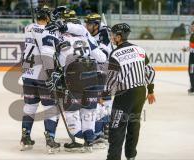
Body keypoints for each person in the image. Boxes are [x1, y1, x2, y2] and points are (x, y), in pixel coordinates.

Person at [45, 14, 107, 152]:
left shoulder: (59, 36)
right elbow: (102, 57)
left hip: (74, 77)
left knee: (71, 110)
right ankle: (89, 140)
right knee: (89, 110)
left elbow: (53, 58)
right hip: (92, 76)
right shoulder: (87, 37)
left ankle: (78, 140)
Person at [106, 23, 156, 160]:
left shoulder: (115, 53)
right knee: (134, 124)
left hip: (125, 94)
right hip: (140, 93)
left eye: (113, 35)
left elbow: (111, 78)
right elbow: (150, 71)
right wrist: (150, 90)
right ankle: (131, 156)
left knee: (117, 127)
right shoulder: (139, 49)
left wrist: (104, 94)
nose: (111, 37)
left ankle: (113, 158)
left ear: (119, 36)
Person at [20, 5, 61, 154]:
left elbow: (36, 28)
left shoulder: (29, 28)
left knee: (30, 106)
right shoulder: (48, 33)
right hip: (42, 75)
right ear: (48, 18)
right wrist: (52, 75)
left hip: (27, 74)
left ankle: (25, 137)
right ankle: (50, 139)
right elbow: (46, 55)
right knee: (51, 108)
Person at [84, 13, 113, 144]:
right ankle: (101, 130)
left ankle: (103, 130)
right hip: (95, 72)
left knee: (104, 101)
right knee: (97, 102)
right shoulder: (90, 33)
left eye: (89, 24)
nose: (87, 26)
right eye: (86, 23)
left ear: (96, 25)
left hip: (104, 72)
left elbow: (103, 55)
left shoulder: (104, 34)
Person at [188, 21, 194, 94]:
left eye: (193, 26)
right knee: (191, 71)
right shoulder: (192, 35)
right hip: (192, 55)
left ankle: (193, 88)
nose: (192, 27)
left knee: (192, 71)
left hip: (193, 57)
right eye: (192, 26)